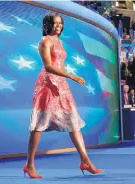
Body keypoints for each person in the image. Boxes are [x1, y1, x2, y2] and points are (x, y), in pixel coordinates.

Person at [23, 12, 103, 179]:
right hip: (47, 85)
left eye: (60, 23)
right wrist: (72, 76)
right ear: (47, 25)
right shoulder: (44, 41)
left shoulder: (59, 41)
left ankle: (85, 161)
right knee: (39, 124)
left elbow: (59, 63)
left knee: (74, 122)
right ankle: (29, 165)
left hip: (61, 85)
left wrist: (65, 80)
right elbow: (48, 67)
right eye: (55, 23)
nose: (58, 26)